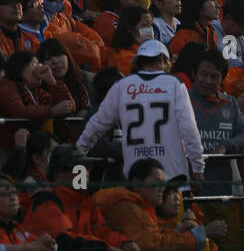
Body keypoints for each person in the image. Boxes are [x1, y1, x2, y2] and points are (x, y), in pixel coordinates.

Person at [95, 160, 227, 251]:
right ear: (137, 183)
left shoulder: (141, 210)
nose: (162, 189)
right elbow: (154, 244)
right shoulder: (128, 209)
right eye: (157, 183)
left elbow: (154, 237)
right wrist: (199, 234)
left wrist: (178, 232)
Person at [23, 146, 139, 251]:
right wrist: (106, 248)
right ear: (57, 174)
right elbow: (62, 240)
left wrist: (124, 243)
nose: (85, 173)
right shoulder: (46, 200)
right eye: (79, 168)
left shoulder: (85, 201)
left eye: (86, 168)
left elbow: (101, 230)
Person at [76, 38, 205, 181]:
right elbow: (189, 128)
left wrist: (79, 151)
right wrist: (198, 166)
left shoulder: (122, 85)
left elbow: (97, 124)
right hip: (171, 171)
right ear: (163, 59)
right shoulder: (174, 84)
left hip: (135, 173)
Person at [187, 49, 244, 183]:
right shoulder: (181, 101)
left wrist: (225, 147)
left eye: (214, 76)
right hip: (189, 182)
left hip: (222, 182)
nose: (208, 81)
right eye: (203, 74)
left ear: (222, 79)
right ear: (194, 74)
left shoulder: (230, 103)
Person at [0, 50, 74, 151]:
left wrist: (51, 81)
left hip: (35, 149)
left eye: (38, 63)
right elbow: (19, 111)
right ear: (20, 68)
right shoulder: (6, 86)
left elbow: (69, 106)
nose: (38, 67)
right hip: (11, 150)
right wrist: (51, 111)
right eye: (33, 64)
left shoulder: (37, 92)